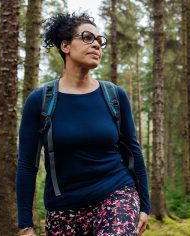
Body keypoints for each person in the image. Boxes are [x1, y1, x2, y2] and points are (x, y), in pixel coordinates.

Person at [16, 12, 150, 236]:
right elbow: (27, 164)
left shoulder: (115, 96)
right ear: (66, 46)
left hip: (116, 194)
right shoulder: (40, 101)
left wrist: (144, 206)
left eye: (100, 40)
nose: (97, 44)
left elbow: (134, 152)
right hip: (63, 209)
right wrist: (25, 225)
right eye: (88, 37)